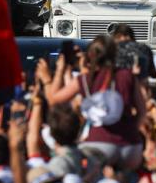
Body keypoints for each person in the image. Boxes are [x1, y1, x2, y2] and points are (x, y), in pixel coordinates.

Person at [39, 35, 146, 172]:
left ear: (90, 54)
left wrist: (60, 69)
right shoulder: (127, 75)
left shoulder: (85, 79)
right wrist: (131, 129)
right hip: (131, 146)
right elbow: (142, 111)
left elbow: (54, 99)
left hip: (99, 144)